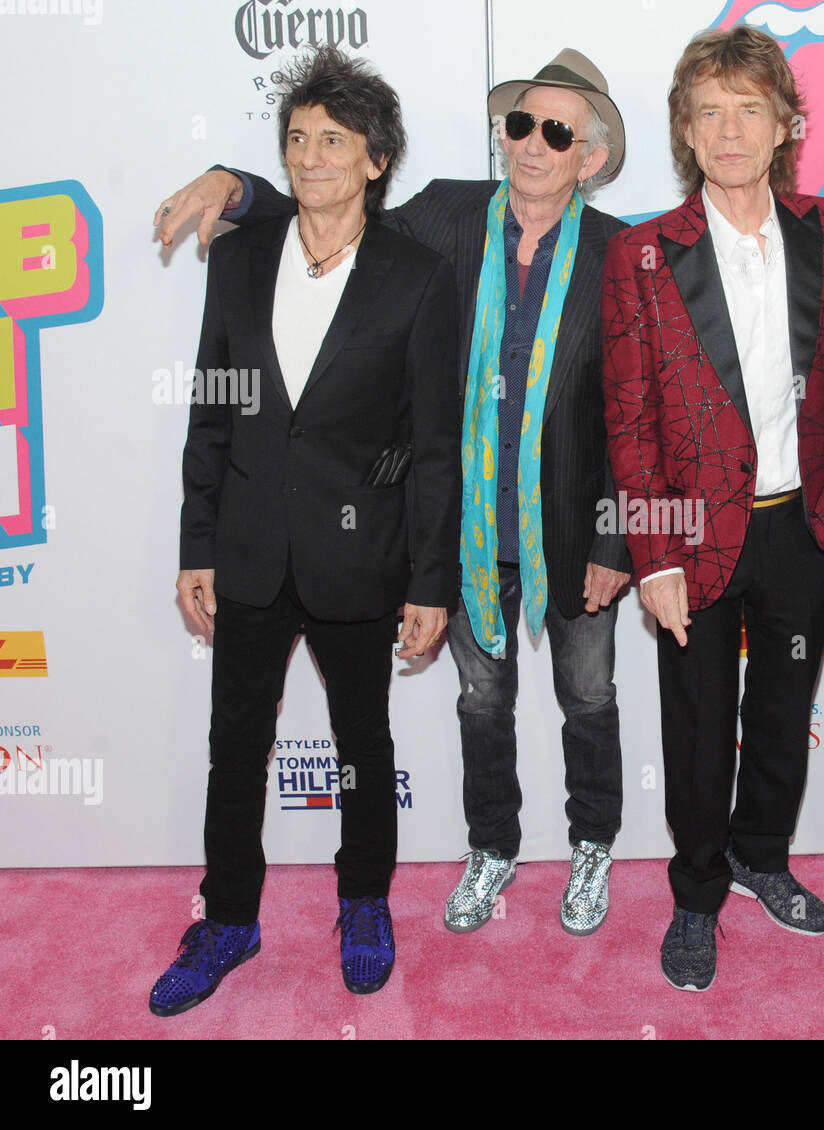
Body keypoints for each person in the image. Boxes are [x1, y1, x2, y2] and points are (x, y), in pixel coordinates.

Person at [156, 49, 631, 937]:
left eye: (556, 131)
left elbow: (633, 411)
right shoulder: (448, 213)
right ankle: (492, 849)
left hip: (571, 523)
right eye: (519, 123)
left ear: (592, 156)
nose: (530, 143)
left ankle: (592, 845)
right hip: (465, 526)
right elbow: (333, 202)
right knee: (481, 702)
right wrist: (235, 185)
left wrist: (616, 537)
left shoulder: (623, 253)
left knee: (590, 697)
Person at [148, 47, 461, 1015]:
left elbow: (435, 443)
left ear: (376, 159)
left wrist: (429, 578)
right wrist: (196, 541)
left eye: (334, 140)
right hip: (244, 548)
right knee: (234, 741)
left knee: (362, 740)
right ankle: (228, 917)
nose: (311, 156)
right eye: (297, 139)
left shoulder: (419, 274)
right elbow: (213, 409)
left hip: (360, 556)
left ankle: (362, 900)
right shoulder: (239, 257)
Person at [602, 25, 824, 991]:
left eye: (748, 109)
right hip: (694, 537)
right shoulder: (640, 254)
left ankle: (762, 856)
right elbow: (627, 417)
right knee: (700, 724)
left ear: (784, 123)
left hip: (806, 524)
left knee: (787, 706)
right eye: (707, 111)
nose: (728, 130)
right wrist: (655, 555)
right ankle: (698, 893)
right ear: (684, 131)